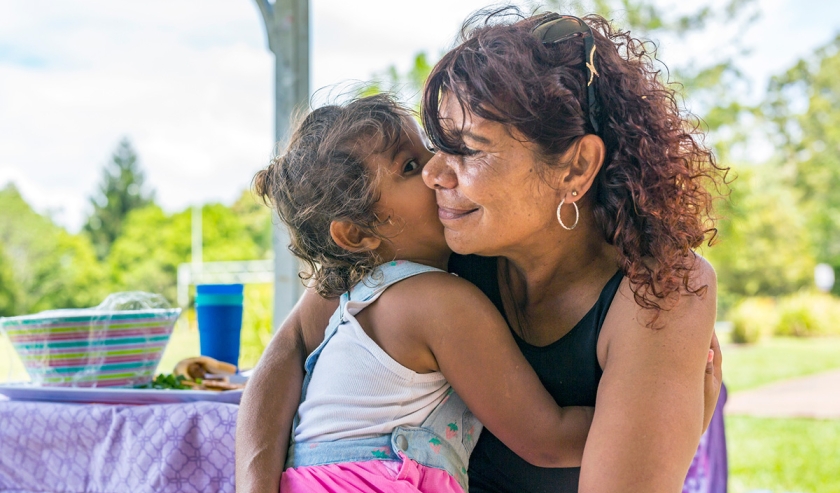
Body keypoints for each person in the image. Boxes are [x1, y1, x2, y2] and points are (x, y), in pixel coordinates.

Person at [236, 8, 724, 493]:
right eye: (437, 144)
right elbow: (294, 343)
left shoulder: (662, 289)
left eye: (468, 149)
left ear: (575, 168)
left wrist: (660, 432)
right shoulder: (434, 245)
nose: (433, 173)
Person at [250, 93, 596, 493]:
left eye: (428, 148)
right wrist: (654, 412)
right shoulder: (437, 303)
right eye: (410, 166)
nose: (435, 168)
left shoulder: (366, 297)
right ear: (357, 233)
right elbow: (547, 441)